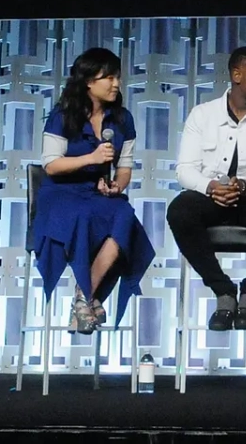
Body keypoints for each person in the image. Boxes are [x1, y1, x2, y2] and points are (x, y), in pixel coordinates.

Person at [166, 46, 246, 332]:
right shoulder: (202, 115)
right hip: (211, 198)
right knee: (180, 209)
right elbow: (185, 169)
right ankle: (223, 292)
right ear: (237, 75)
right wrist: (211, 187)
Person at [34, 49, 156, 333]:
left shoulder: (122, 119)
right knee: (88, 216)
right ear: (88, 81)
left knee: (124, 214)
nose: (116, 84)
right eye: (109, 78)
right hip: (61, 195)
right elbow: (51, 165)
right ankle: (91, 298)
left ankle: (82, 295)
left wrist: (117, 185)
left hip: (97, 194)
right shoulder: (62, 116)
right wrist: (91, 159)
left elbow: (124, 168)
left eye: (118, 78)